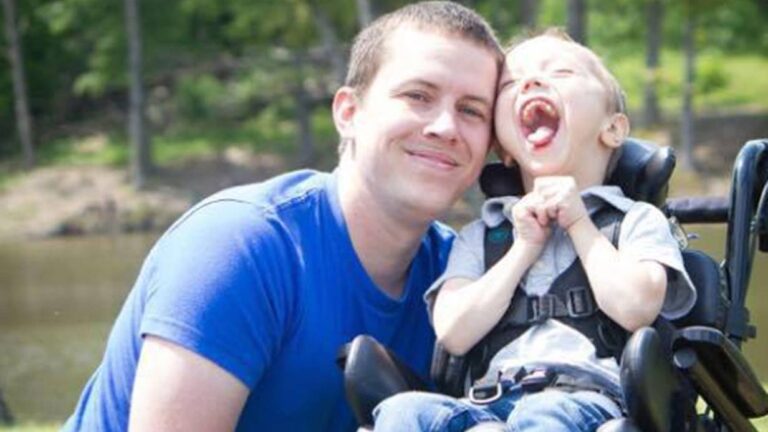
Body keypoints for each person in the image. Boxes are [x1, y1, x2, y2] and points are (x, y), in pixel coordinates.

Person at [62, 2, 503, 431]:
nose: (445, 126)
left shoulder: (463, 283)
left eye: (471, 111)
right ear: (348, 113)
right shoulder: (240, 246)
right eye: (418, 96)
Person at [373, 29, 696, 432]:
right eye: (511, 83)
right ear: (504, 148)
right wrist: (523, 249)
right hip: (484, 403)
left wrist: (580, 223)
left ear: (613, 129)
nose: (531, 82)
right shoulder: (482, 234)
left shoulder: (635, 221)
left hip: (584, 403)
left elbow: (636, 308)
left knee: (542, 415)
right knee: (402, 411)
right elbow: (454, 334)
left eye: (561, 72)